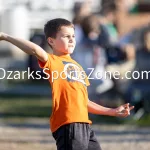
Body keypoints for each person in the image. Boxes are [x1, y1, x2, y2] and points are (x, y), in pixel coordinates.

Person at [0, 18, 134, 150]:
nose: (71, 39)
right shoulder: (53, 61)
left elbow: (84, 102)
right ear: (51, 41)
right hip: (68, 124)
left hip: (84, 125)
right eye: (66, 36)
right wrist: (6, 37)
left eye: (73, 36)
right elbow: (35, 50)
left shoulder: (78, 67)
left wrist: (112, 111)